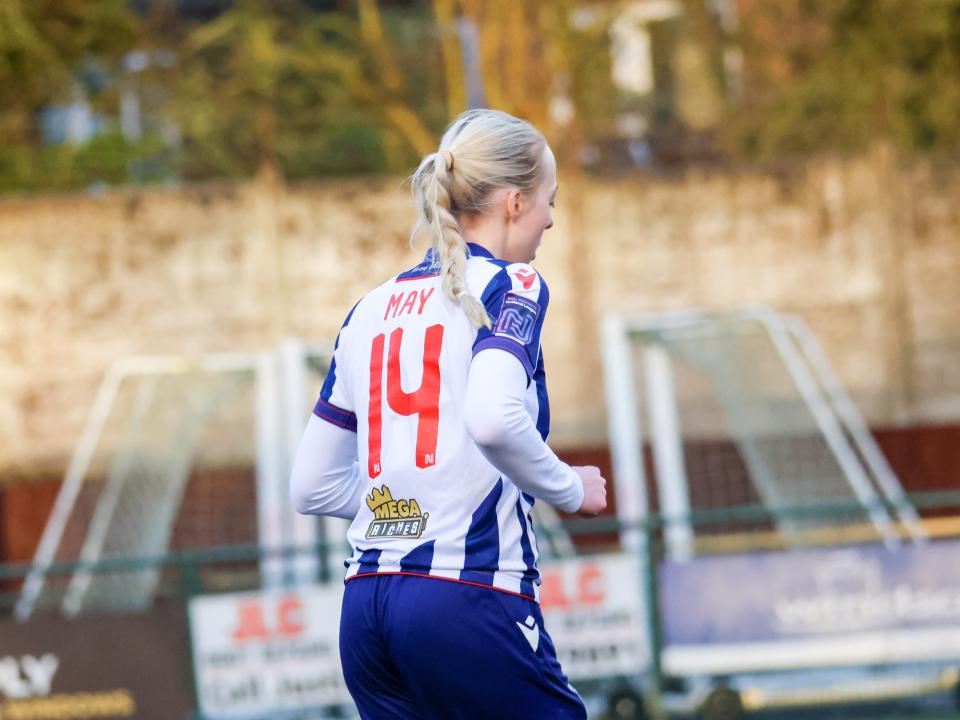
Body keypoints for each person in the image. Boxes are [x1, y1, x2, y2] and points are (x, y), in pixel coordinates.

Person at [289, 108, 608, 719]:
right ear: (514, 202)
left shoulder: (368, 309)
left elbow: (311, 485)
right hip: (467, 598)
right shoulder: (512, 284)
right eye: (549, 199)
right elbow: (492, 418)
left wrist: (413, 503)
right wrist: (570, 488)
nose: (551, 219)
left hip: (366, 611)